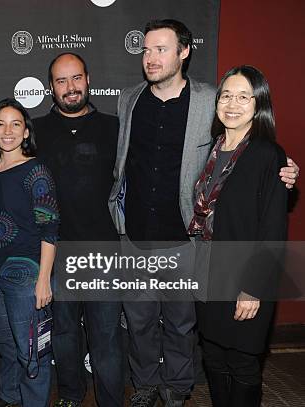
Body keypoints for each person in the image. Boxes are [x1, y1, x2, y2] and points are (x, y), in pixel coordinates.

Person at [108, 19, 299, 407]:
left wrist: (284, 169)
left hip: (186, 241)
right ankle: (145, 386)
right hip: (134, 236)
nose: (151, 58)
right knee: (140, 323)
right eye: (146, 50)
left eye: (161, 49)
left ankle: (178, 389)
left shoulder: (211, 100)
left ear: (183, 52)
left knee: (182, 326)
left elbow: (246, 149)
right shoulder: (127, 99)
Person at [188, 65, 287, 406]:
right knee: (214, 358)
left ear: (259, 104)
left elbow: (273, 229)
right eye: (226, 95)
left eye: (244, 96)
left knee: (243, 363)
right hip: (207, 275)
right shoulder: (212, 150)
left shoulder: (267, 155)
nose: (233, 103)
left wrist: (253, 288)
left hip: (246, 281)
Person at [32, 53, 124, 407]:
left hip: (103, 252)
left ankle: (111, 401)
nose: (70, 88)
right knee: (64, 335)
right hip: (56, 251)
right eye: (61, 81)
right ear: (50, 87)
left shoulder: (115, 128)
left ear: (88, 79)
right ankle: (70, 395)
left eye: (76, 79)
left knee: (106, 337)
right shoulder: (35, 130)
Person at [0, 98, 58, 407]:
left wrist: (44, 280)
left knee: (32, 351)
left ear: (26, 132)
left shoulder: (36, 172)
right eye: (1, 124)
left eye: (15, 124)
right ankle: (10, 396)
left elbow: (50, 229)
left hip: (26, 275)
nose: (7, 131)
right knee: (6, 344)